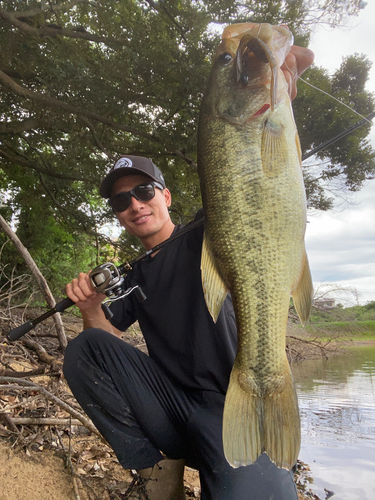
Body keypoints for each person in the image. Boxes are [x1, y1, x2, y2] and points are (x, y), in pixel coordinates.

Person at [63, 46, 314, 500]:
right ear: (118, 215)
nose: (135, 204)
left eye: (143, 191)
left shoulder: (209, 231)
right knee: (85, 350)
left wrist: (285, 84)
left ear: (166, 197)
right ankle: (157, 463)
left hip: (233, 399)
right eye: (122, 201)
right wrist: (90, 307)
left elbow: (257, 187)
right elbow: (106, 343)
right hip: (174, 409)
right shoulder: (133, 274)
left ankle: (250, 446)